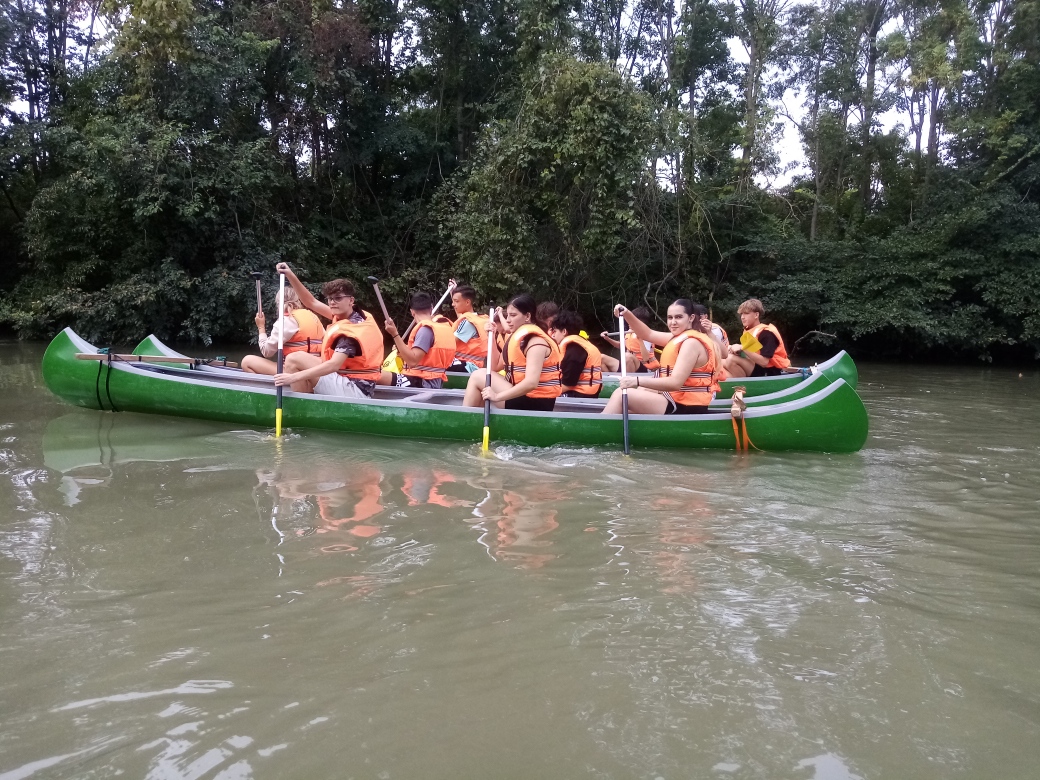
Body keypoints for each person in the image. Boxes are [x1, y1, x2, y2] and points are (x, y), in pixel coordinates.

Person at [272, 263, 384, 396]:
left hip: (354, 390)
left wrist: (293, 377)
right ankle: (306, 396)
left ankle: (303, 402)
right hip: (349, 380)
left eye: (338, 298)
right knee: (298, 357)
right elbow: (311, 302)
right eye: (330, 299)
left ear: (351, 300)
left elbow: (333, 365)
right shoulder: (359, 315)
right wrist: (290, 274)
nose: (332, 302)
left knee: (293, 359)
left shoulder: (349, 334)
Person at [601, 299, 720, 415]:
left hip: (687, 405)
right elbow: (647, 334)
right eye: (670, 318)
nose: (673, 322)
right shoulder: (679, 337)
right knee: (634, 400)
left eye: (678, 317)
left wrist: (636, 380)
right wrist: (627, 313)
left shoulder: (691, 343)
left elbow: (675, 383)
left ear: (691, 318)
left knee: (620, 395)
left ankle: (598, 425)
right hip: (677, 398)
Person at [462, 294, 562, 412]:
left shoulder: (536, 341)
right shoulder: (517, 338)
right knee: (480, 374)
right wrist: (492, 336)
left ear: (527, 316)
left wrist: (496, 396)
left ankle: (465, 418)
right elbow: (495, 367)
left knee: (477, 376)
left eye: (513, 315)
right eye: (508, 315)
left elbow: (531, 383)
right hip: (523, 395)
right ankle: (472, 419)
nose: (508, 320)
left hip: (536, 401)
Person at [242, 286, 325, 375]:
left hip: (295, 370)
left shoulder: (286, 320)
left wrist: (261, 327)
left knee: (247, 362)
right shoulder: (313, 316)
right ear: (298, 300)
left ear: (278, 303)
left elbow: (266, 352)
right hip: (317, 368)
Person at [384, 291, 457, 388]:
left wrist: (395, 334)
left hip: (423, 382)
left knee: (376, 375)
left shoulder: (426, 330)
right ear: (431, 309)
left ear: (412, 312)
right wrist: (403, 349)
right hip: (433, 380)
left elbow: (412, 362)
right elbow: (425, 353)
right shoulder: (441, 328)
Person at [721, 298, 790, 378]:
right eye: (741, 314)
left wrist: (742, 348)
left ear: (756, 315)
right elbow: (750, 353)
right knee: (721, 361)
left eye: (746, 313)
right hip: (756, 367)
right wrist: (737, 351)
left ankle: (741, 384)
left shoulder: (767, 333)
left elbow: (764, 362)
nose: (742, 317)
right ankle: (729, 382)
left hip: (770, 371)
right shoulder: (749, 331)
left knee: (730, 359)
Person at [546, 310, 603, 397]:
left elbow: (568, 383)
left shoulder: (574, 350)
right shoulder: (581, 344)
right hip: (585, 392)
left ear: (564, 331)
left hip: (579, 394)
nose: (553, 335)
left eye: (555, 331)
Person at [601, 306, 659, 374]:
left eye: (631, 320)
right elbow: (620, 345)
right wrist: (608, 339)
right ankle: (611, 379)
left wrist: (640, 339)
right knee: (601, 358)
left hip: (645, 367)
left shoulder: (645, 334)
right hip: (628, 362)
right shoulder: (629, 332)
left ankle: (628, 380)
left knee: (627, 356)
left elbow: (646, 358)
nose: (628, 322)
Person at [450, 284, 490, 370]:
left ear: (467, 302)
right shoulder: (477, 318)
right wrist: (452, 292)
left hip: (467, 365)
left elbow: (449, 343)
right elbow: (460, 316)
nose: (453, 304)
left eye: (456, 301)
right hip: (474, 364)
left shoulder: (468, 322)